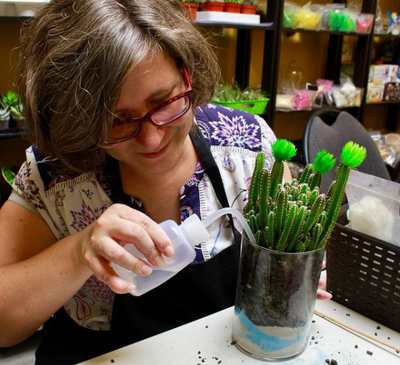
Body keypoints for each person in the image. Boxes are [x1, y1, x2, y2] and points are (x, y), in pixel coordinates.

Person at [0, 0, 330, 363]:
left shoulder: (247, 149)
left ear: (188, 74)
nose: (152, 140)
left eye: (164, 102)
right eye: (117, 121)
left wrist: (294, 281)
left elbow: (288, 260)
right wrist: (80, 251)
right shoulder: (53, 173)